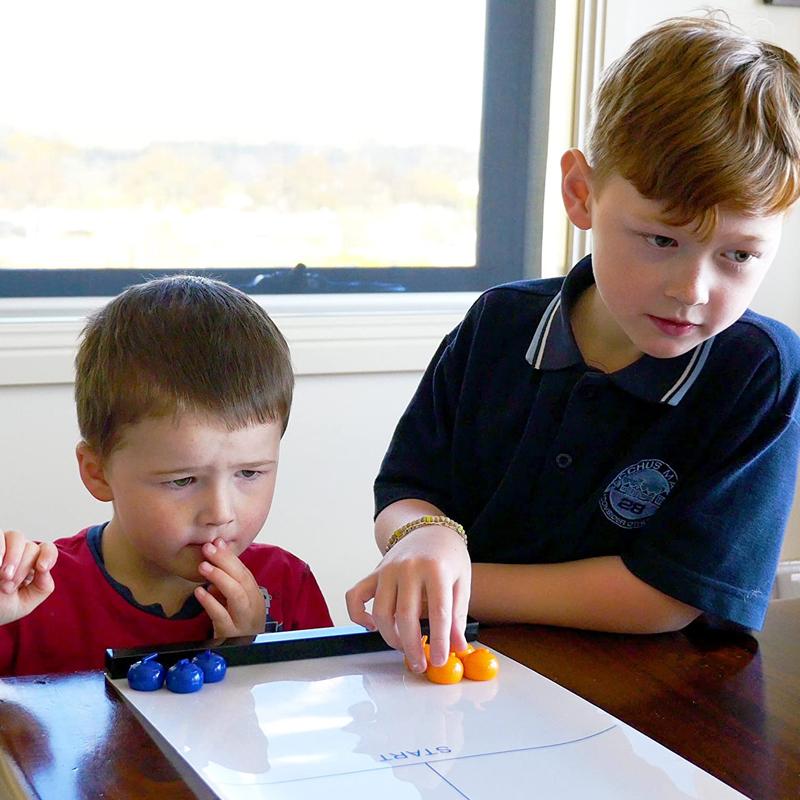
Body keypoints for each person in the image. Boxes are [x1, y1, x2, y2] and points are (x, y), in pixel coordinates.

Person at [347, 15, 800, 672]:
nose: (692, 290)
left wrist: (456, 575)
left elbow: (666, 595)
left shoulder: (759, 371)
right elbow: (408, 487)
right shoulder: (497, 325)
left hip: (665, 705)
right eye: (661, 241)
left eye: (738, 255)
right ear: (581, 194)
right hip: (469, 670)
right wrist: (422, 536)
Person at [0, 276, 332, 675]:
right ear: (98, 472)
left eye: (249, 472)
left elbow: (316, 730)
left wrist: (254, 651)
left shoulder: (287, 587)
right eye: (182, 481)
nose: (220, 513)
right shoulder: (31, 596)